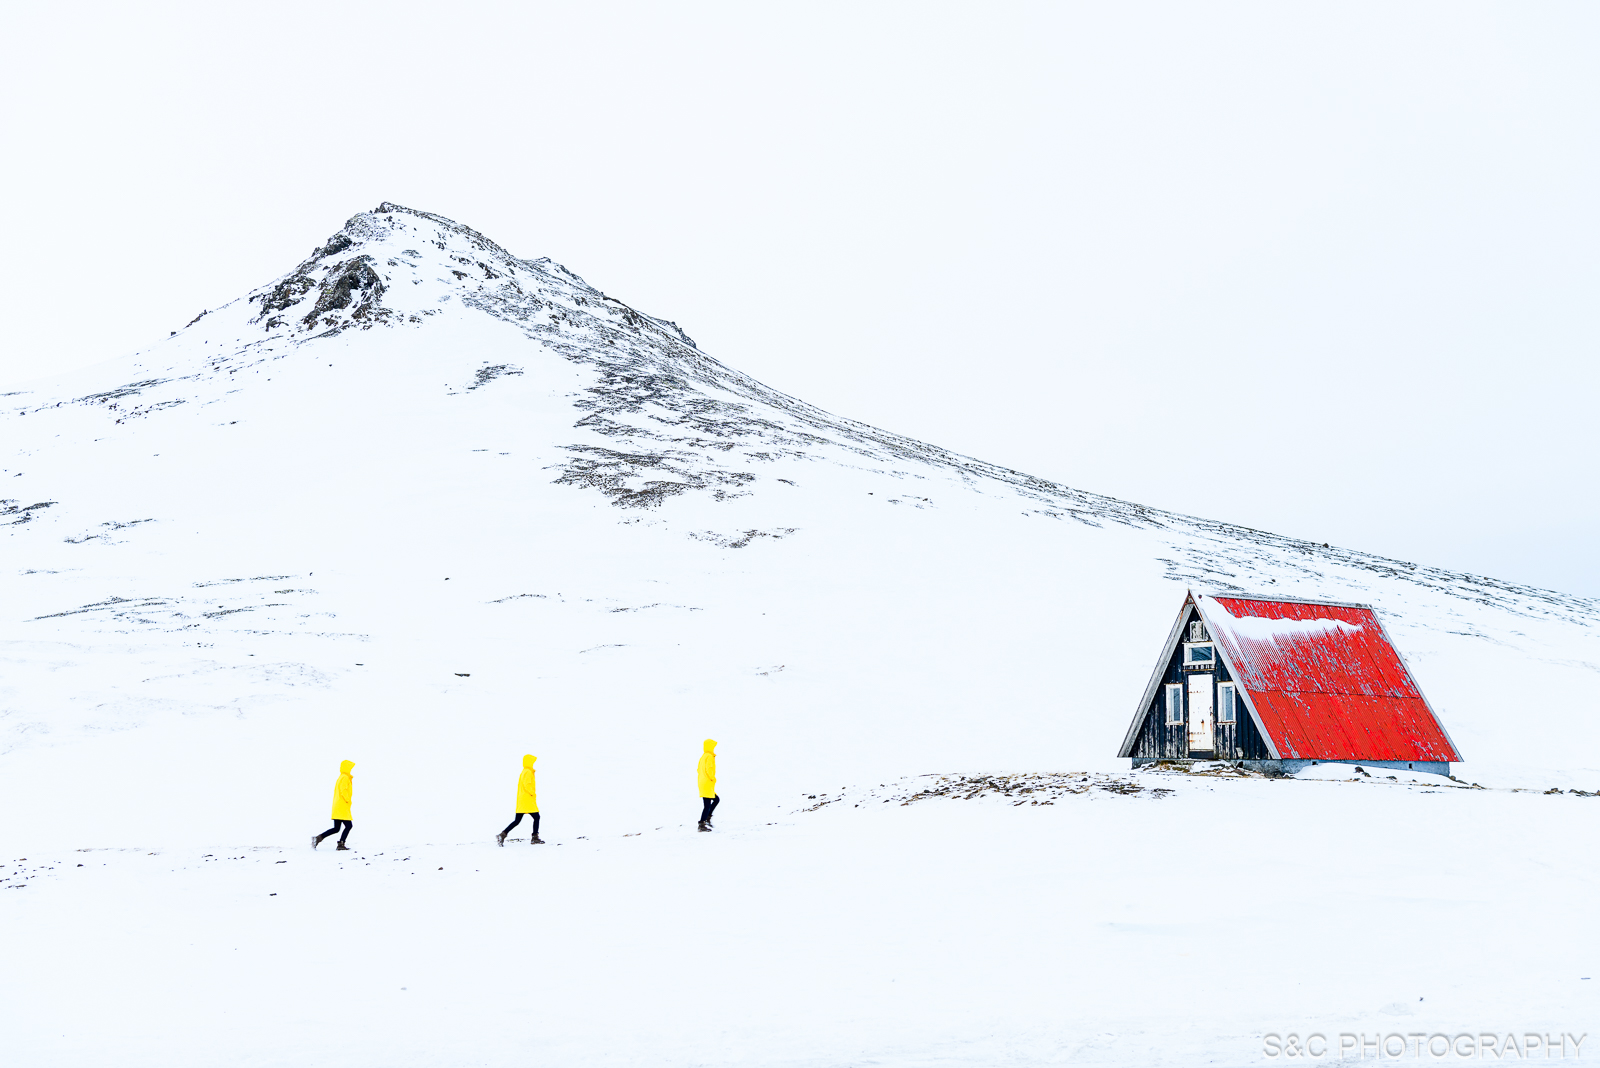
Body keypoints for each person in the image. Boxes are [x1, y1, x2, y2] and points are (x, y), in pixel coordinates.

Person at [497, 754, 543, 845]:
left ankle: (502, 834)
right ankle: (535, 837)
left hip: (522, 800)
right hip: (527, 800)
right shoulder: (528, 772)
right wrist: (533, 793)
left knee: (517, 821)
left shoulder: (524, 771)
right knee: (536, 817)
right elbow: (527, 784)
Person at [313, 760, 355, 850]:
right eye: (350, 768)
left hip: (338, 806)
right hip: (342, 807)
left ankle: (318, 838)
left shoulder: (341, 777)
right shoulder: (345, 777)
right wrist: (348, 800)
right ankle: (341, 844)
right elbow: (343, 790)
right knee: (349, 826)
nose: (351, 769)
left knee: (336, 828)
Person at [697, 738, 719, 832]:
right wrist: (712, 778)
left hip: (703, 782)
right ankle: (702, 824)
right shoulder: (709, 756)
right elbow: (709, 769)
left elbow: (698, 769)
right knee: (707, 805)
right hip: (707, 783)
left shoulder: (703, 756)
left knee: (716, 799)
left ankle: (707, 819)